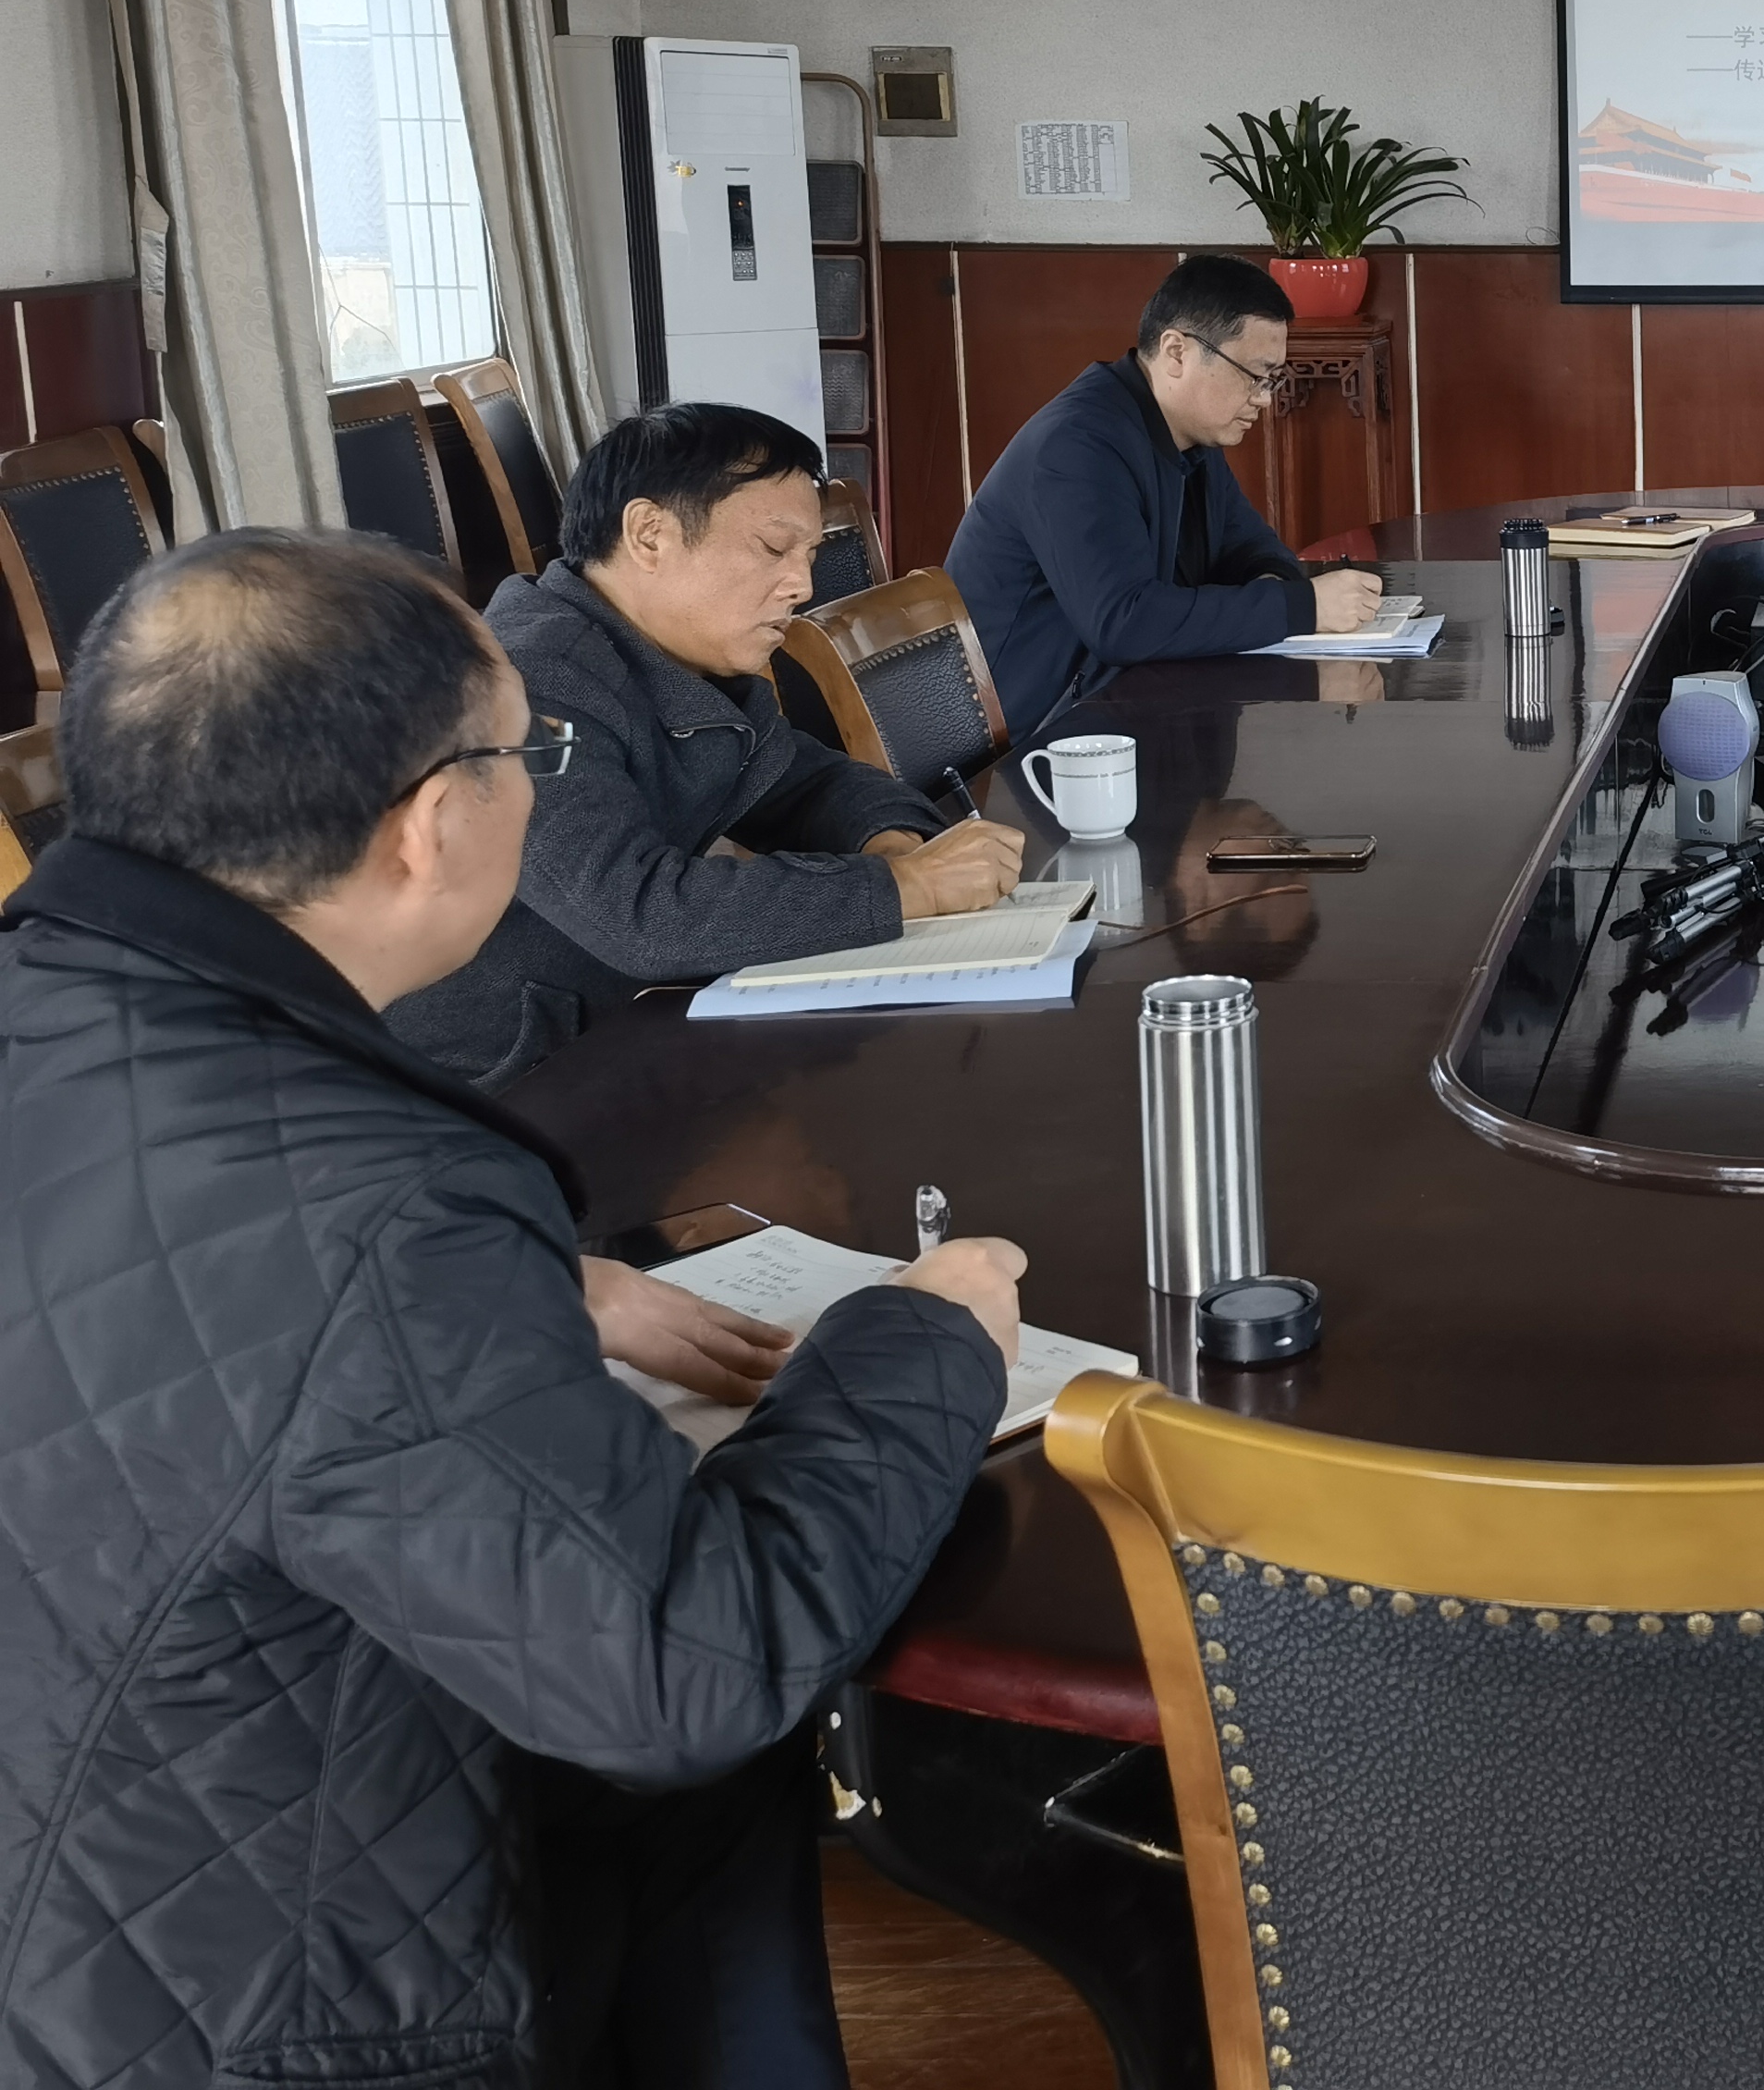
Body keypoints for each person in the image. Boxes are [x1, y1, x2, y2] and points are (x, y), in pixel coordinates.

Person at [0, 531, 1031, 2090]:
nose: (541, 787)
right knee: (702, 1764)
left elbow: (148, 1286)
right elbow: (685, 1671)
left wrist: (529, 1285)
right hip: (223, 2014)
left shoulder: (67, 1007)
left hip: (73, 1844)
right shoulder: (381, 1206)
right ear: (428, 828)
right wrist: (924, 1339)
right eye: (524, 755)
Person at [387, 404, 1026, 1087]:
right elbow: (641, 914)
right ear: (650, 535)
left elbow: (801, 781)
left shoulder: (679, 652)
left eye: (809, 555)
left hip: (627, 1028)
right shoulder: (530, 684)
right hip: (496, 1082)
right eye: (773, 549)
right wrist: (903, 888)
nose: (803, 585)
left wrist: (892, 841)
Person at [948, 252, 1388, 736]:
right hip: (1025, 743)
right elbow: (1123, 623)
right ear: (1177, 352)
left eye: (1272, 379)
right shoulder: (1077, 446)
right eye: (1254, 375)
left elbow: (1252, 549)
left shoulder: (1189, 436)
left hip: (1120, 705)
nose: (1264, 398)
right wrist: (1301, 607)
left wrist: (1272, 588)